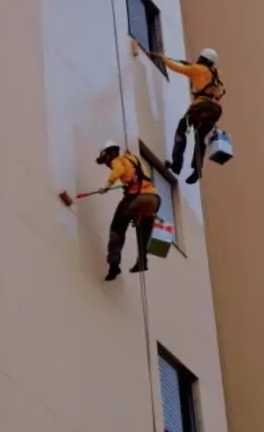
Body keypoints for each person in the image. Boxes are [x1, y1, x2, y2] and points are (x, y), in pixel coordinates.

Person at [149, 48, 225, 184]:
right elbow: (220, 92)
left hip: (200, 107)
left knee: (181, 130)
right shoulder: (217, 73)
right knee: (199, 137)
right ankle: (197, 169)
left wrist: (162, 58)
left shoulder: (196, 69)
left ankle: (176, 165)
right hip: (215, 110)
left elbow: (177, 68)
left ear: (202, 58)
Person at [95, 140, 161, 281]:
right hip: (154, 199)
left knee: (117, 227)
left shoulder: (117, 160)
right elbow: (136, 175)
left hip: (137, 198)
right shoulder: (132, 159)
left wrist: (107, 186)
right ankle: (142, 260)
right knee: (144, 227)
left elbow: (118, 171)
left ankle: (114, 264)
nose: (107, 164)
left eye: (105, 160)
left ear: (110, 154)